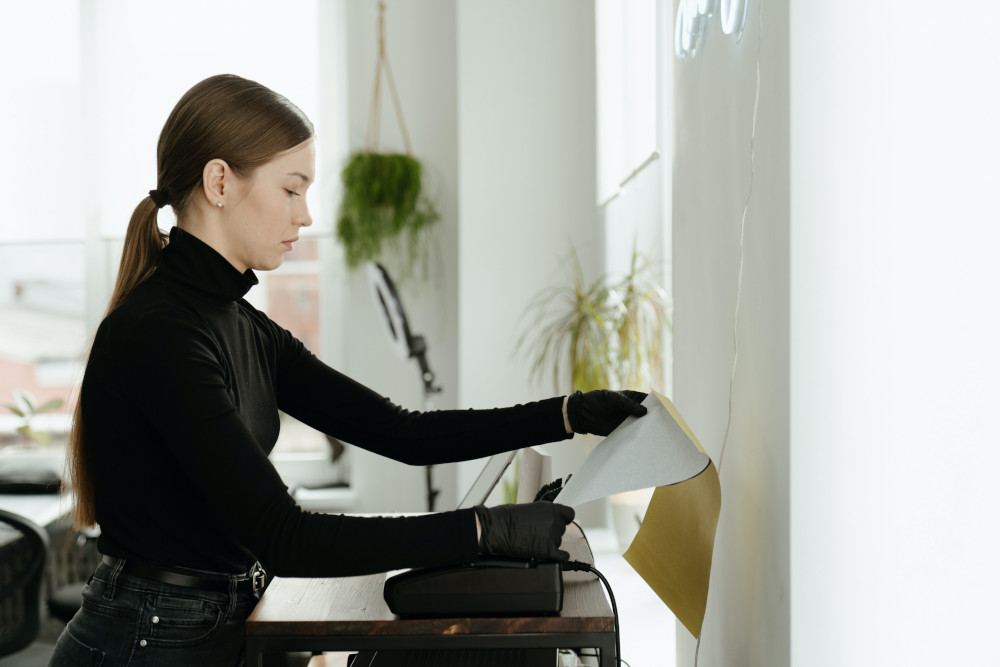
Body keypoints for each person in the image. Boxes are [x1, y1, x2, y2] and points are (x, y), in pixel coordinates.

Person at [50, 74, 647, 666]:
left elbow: (403, 433)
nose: (306, 216)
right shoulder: (161, 332)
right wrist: (481, 533)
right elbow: (287, 537)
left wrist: (567, 414)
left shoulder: (246, 326)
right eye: (292, 189)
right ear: (220, 181)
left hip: (221, 620)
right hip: (150, 643)